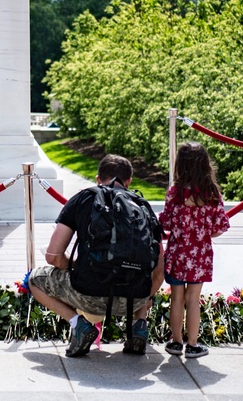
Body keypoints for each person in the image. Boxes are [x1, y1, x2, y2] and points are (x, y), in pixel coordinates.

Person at [29, 154, 164, 357]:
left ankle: (79, 325)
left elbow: (53, 257)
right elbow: (160, 270)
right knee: (143, 274)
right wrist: (146, 296)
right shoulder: (142, 206)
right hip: (135, 299)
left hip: (88, 293)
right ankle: (139, 324)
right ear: (129, 182)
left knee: (34, 279)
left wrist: (73, 265)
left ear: (97, 179)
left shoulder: (84, 198)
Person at [158, 142, 230, 359]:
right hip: (199, 254)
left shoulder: (174, 192)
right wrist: (203, 233)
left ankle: (176, 341)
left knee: (176, 298)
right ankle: (192, 344)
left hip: (177, 252)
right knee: (193, 298)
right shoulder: (210, 193)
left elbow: (167, 223)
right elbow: (220, 227)